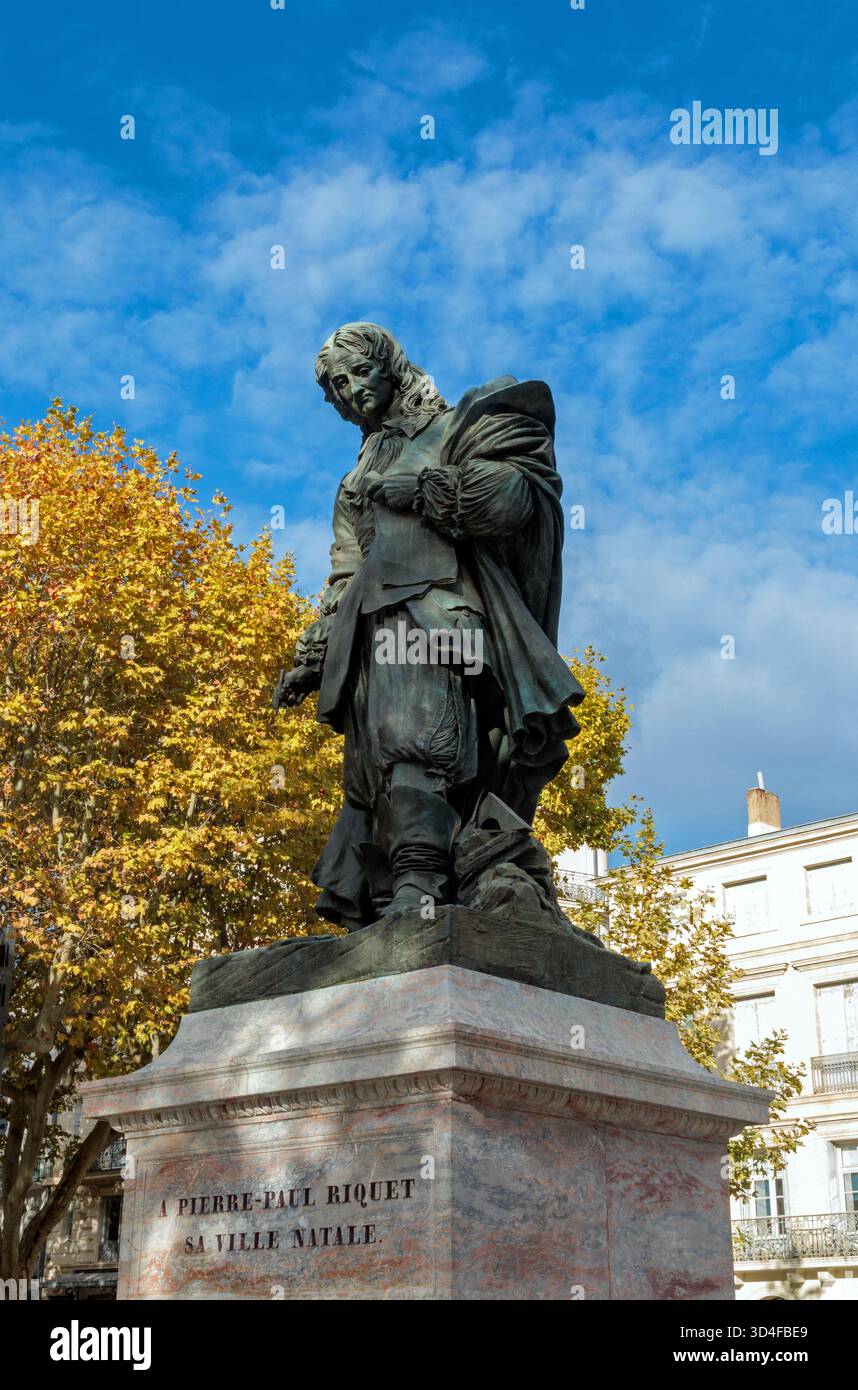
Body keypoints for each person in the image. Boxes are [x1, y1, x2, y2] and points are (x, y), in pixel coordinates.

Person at [274, 323, 583, 930]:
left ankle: (421, 885)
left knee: (417, 743)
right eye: (338, 386)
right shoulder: (354, 481)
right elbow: (345, 572)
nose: (352, 390)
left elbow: (514, 499)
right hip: (367, 629)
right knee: (379, 767)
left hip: (440, 612)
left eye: (359, 372)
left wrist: (425, 490)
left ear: (390, 364)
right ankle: (397, 902)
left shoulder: (459, 425)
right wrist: (312, 657)